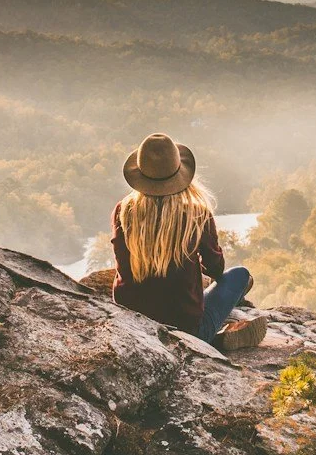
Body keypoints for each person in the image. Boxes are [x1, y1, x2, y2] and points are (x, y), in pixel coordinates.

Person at [110, 132, 264, 353]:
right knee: (239, 276)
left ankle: (213, 340)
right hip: (186, 328)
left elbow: (121, 261)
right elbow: (216, 269)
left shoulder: (123, 211)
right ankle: (211, 340)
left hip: (133, 324)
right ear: (179, 172)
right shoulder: (196, 213)